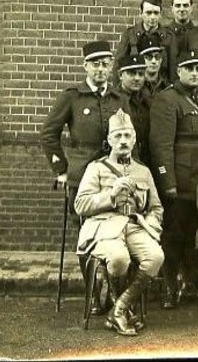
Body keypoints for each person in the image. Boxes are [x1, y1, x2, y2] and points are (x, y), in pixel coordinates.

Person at [41, 41, 130, 315]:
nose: (101, 69)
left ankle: (114, 293)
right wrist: (62, 170)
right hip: (82, 176)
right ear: (85, 66)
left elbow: (128, 135)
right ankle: (93, 294)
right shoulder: (72, 97)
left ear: (111, 66)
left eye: (105, 64)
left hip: (115, 174)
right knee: (86, 235)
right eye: (95, 64)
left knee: (115, 231)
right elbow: (49, 134)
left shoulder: (119, 99)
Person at [74, 109, 164, 336]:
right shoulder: (96, 168)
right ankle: (122, 312)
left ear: (134, 140)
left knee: (155, 257)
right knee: (118, 259)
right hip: (103, 227)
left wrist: (152, 227)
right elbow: (80, 205)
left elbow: (156, 207)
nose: (123, 141)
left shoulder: (143, 171)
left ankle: (118, 309)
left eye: (127, 136)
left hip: (134, 226)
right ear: (109, 141)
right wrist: (110, 196)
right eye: (118, 136)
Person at [149, 48, 198, 308]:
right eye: (188, 68)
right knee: (174, 237)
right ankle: (169, 287)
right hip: (179, 182)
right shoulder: (168, 100)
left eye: (197, 68)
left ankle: (191, 285)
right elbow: (161, 146)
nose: (194, 73)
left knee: (195, 236)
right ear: (178, 71)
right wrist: (168, 183)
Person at [113, 0, 172, 84]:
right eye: (148, 13)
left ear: (161, 14)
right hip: (135, 85)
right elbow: (118, 65)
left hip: (160, 87)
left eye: (156, 13)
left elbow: (172, 67)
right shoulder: (130, 34)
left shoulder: (168, 36)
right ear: (141, 13)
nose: (152, 17)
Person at [114, 55, 152, 167]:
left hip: (147, 162)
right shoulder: (114, 100)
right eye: (132, 73)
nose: (137, 78)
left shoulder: (149, 101)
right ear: (120, 75)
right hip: (123, 163)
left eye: (141, 74)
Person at [166, 0, 198, 84]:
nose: (182, 9)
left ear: (191, 8)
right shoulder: (165, 34)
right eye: (178, 6)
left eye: (185, 5)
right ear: (172, 9)